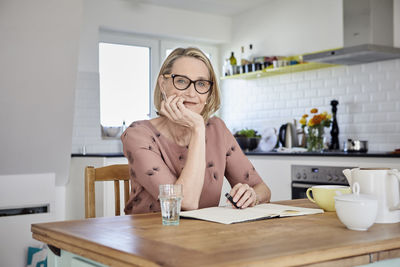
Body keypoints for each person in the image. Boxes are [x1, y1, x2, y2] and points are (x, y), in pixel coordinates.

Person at [121, 47, 271, 214]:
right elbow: (184, 203)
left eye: (201, 83)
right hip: (151, 235)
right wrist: (198, 128)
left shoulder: (217, 129)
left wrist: (253, 195)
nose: (191, 93)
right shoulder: (137, 134)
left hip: (203, 235)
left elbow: (262, 188)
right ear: (163, 85)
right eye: (182, 81)